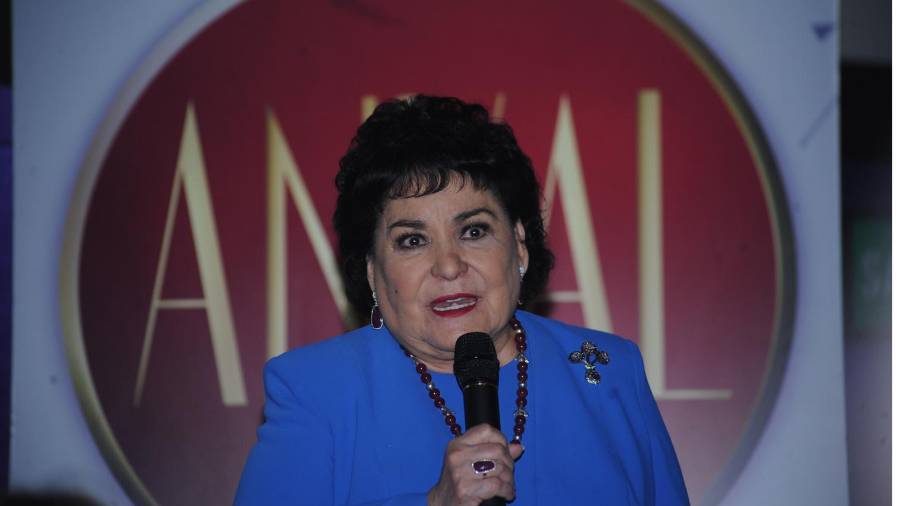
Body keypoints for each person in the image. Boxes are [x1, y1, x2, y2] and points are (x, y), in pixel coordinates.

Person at [235, 95, 689, 505]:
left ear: (519, 245)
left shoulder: (609, 370)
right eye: (412, 240)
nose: (449, 266)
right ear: (373, 270)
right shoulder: (315, 390)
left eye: (473, 231)